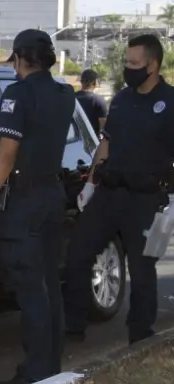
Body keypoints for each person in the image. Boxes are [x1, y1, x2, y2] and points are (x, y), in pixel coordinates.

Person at [0, 29, 76, 384]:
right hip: (51, 193)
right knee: (49, 286)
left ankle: (35, 374)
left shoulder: (17, 93)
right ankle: (51, 363)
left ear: (18, 58)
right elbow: (36, 127)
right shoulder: (64, 92)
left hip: (24, 203)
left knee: (31, 291)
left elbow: (6, 155)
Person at [65, 34, 174, 346]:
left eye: (134, 63)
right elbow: (107, 143)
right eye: (126, 62)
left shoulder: (170, 102)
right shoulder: (123, 99)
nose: (128, 68)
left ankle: (141, 337)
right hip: (109, 193)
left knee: (142, 270)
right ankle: (73, 326)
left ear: (152, 65)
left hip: (146, 199)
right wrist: (90, 184)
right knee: (78, 255)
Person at [76, 69, 108, 136]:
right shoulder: (99, 101)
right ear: (95, 82)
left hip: (72, 141)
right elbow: (104, 128)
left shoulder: (71, 98)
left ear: (81, 81)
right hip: (92, 143)